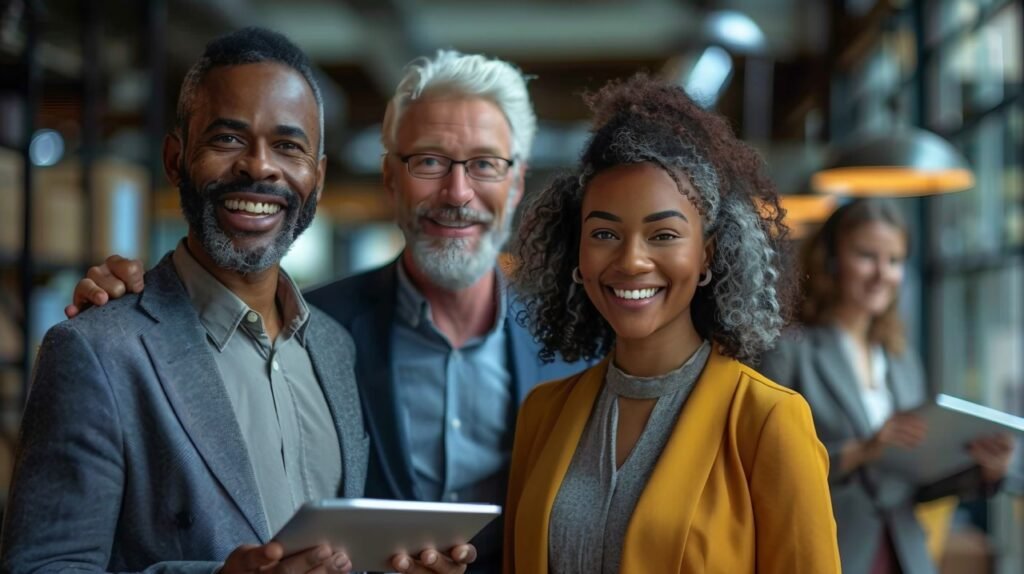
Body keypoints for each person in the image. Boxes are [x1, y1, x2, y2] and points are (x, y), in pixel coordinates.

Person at [62, 49, 584, 573]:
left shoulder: (579, 345)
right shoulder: (311, 326)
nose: (457, 192)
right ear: (389, 179)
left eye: (486, 164)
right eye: (428, 161)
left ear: (516, 183)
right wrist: (129, 311)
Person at [2, 28, 472, 574]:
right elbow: (42, 566)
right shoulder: (97, 351)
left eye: (289, 146)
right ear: (176, 159)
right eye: (227, 140)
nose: (259, 166)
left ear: (316, 180)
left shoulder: (333, 346)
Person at [502, 74, 840, 573]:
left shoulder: (767, 421)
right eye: (604, 233)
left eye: (663, 234)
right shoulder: (543, 414)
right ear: (577, 251)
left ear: (707, 254)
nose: (632, 261)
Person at [758, 198, 1014, 574]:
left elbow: (916, 484)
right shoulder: (789, 352)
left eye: (894, 261)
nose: (882, 273)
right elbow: (766, 470)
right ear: (830, 260)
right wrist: (863, 451)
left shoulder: (900, 359)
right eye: (866, 256)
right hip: (829, 551)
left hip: (906, 553)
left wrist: (981, 471)